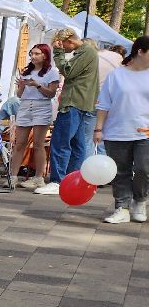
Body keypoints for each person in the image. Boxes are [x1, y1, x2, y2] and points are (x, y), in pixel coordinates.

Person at [37, 27, 101, 195]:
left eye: (63, 45)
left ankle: (57, 181)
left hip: (73, 102)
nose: (62, 49)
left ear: (69, 41)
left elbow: (68, 71)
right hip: (83, 103)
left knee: (60, 143)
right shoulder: (88, 51)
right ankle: (72, 180)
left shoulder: (86, 51)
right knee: (78, 145)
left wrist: (58, 54)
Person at [94, 36, 149, 224]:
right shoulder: (116, 75)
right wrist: (98, 129)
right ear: (140, 52)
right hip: (117, 131)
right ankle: (122, 207)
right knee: (120, 172)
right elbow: (104, 104)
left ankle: (140, 200)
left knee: (143, 169)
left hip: (145, 132)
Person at [9, 43, 59, 190]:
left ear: (45, 55)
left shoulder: (52, 72)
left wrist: (37, 85)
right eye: (32, 53)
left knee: (38, 144)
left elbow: (51, 93)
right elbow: (19, 95)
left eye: (37, 54)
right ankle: (12, 176)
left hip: (42, 106)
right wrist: (22, 86)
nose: (33, 56)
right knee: (20, 143)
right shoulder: (26, 71)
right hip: (25, 105)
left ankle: (38, 177)